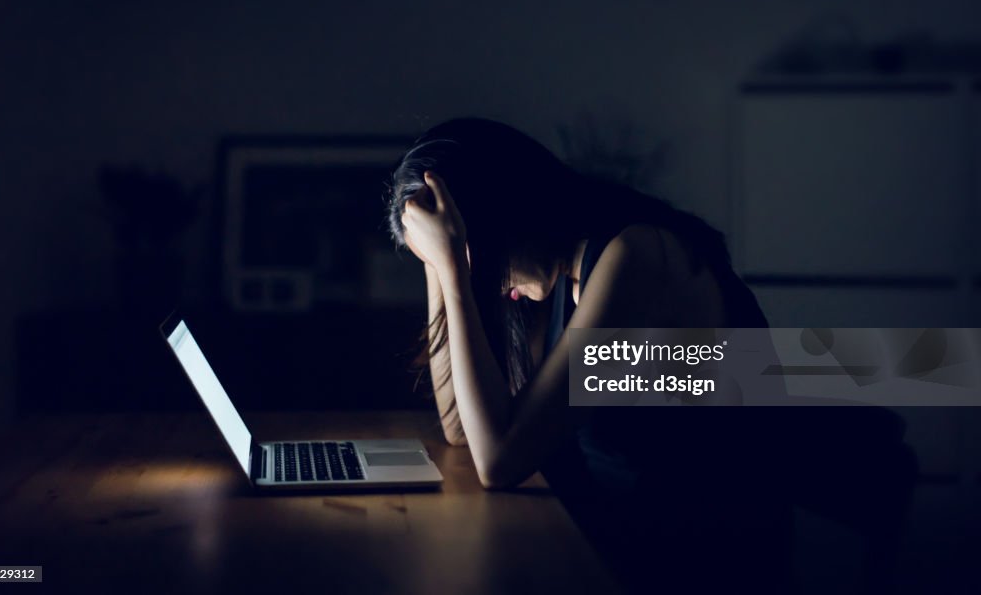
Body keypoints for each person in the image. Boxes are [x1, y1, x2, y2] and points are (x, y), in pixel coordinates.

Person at [386, 118, 915, 594]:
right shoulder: (570, 279)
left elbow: (499, 462)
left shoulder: (634, 257)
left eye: (463, 249)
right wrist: (438, 266)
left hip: (697, 565)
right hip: (621, 545)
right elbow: (460, 429)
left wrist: (455, 268)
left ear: (497, 222)